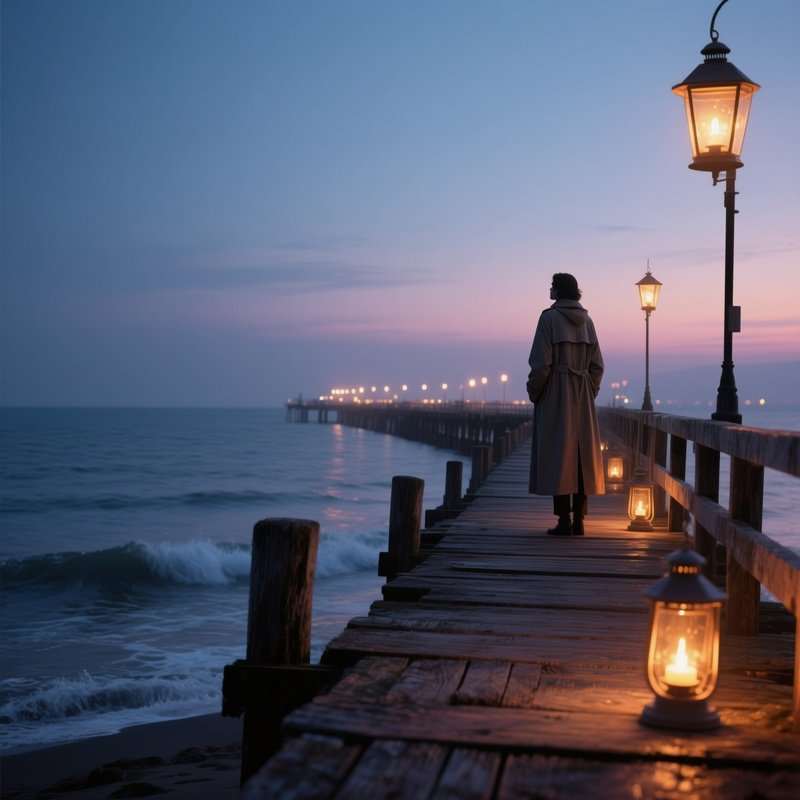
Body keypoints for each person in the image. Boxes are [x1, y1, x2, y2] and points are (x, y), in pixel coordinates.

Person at [526, 273, 605, 536]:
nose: (549, 289)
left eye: (552, 285)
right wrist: (589, 391)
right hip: (582, 392)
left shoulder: (548, 318)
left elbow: (540, 363)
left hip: (556, 391)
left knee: (558, 454)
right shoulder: (588, 322)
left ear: (559, 291)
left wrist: (535, 392)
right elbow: (597, 366)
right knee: (582, 456)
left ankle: (563, 521)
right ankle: (580, 520)